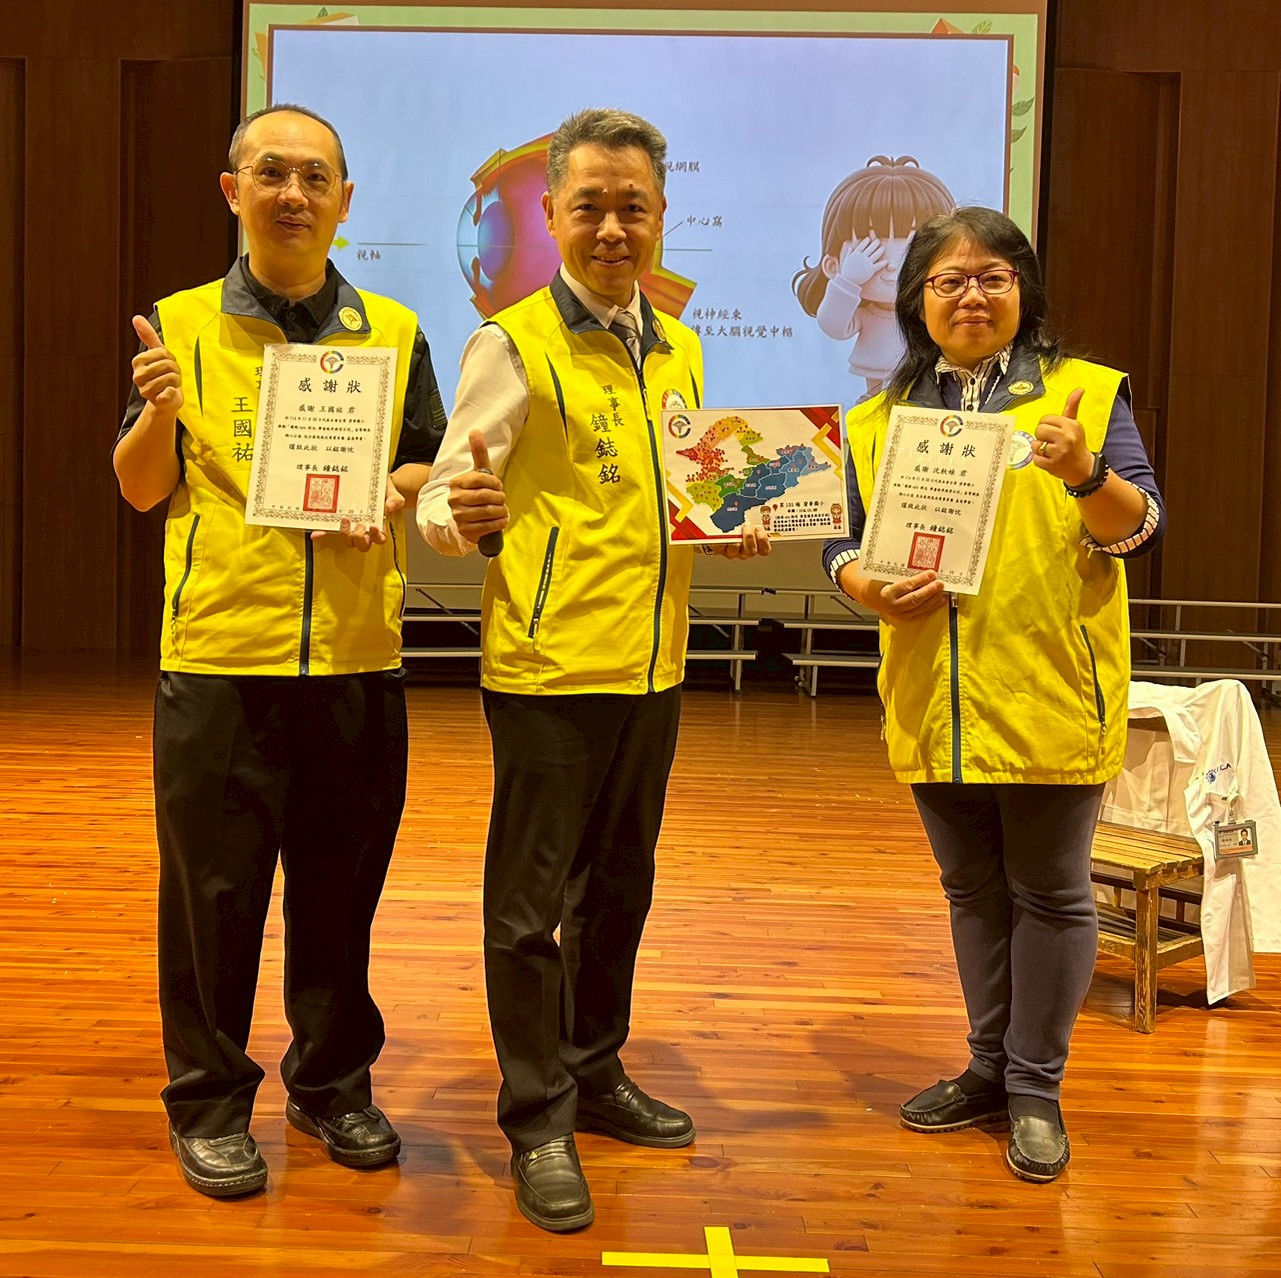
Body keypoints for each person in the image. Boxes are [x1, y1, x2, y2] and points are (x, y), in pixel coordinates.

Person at [418, 107, 768, 1233]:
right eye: (590, 207)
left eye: (634, 207)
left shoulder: (679, 345)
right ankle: (537, 1120)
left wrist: (726, 521)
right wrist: (461, 515)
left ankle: (595, 1068)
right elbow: (442, 498)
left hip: (654, 665)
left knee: (618, 892)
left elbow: (683, 488)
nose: (613, 227)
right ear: (553, 214)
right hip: (547, 667)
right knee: (528, 912)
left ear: (662, 216)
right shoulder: (509, 342)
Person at [113, 103, 447, 1198]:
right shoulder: (178, 325)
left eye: (314, 177)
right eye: (271, 173)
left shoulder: (393, 329)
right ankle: (209, 1101)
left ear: (345, 200)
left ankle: (332, 1084)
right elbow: (141, 489)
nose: (292, 193)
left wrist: (386, 496)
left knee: (340, 898)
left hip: (356, 662)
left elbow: (424, 463)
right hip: (220, 660)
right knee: (211, 903)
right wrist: (156, 412)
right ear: (234, 191)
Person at [823, 207, 1165, 1182]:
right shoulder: (875, 419)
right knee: (971, 890)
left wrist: (1085, 472)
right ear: (916, 300)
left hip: (1051, 688)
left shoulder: (1084, 394)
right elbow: (843, 541)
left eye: (992, 277)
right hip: (933, 693)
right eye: (948, 280)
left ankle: (1035, 1090)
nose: (970, 295)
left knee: (1050, 893)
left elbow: (1138, 528)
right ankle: (986, 1068)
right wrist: (863, 585)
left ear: (1023, 292)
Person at [793, 156, 955, 398]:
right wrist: (847, 281)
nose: (892, 265)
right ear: (832, 265)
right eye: (871, 250)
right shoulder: (865, 314)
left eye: (912, 246)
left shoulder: (930, 311)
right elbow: (833, 326)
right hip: (874, 398)